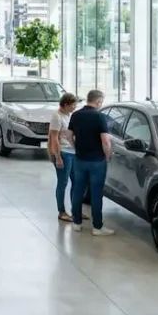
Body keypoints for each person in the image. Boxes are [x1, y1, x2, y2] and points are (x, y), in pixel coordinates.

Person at [67, 89, 115, 236]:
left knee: (78, 191)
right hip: (97, 161)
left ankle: (76, 223)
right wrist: (107, 156)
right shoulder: (100, 117)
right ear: (99, 101)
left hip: (80, 159)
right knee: (96, 193)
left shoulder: (76, 115)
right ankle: (97, 227)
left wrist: (77, 148)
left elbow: (68, 136)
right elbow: (105, 141)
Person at [47, 93, 80, 222]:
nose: (75, 107)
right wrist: (57, 156)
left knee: (77, 182)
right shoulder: (57, 117)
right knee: (63, 183)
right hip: (64, 153)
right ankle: (61, 211)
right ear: (66, 104)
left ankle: (75, 210)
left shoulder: (68, 116)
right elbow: (53, 138)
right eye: (73, 105)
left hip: (73, 153)